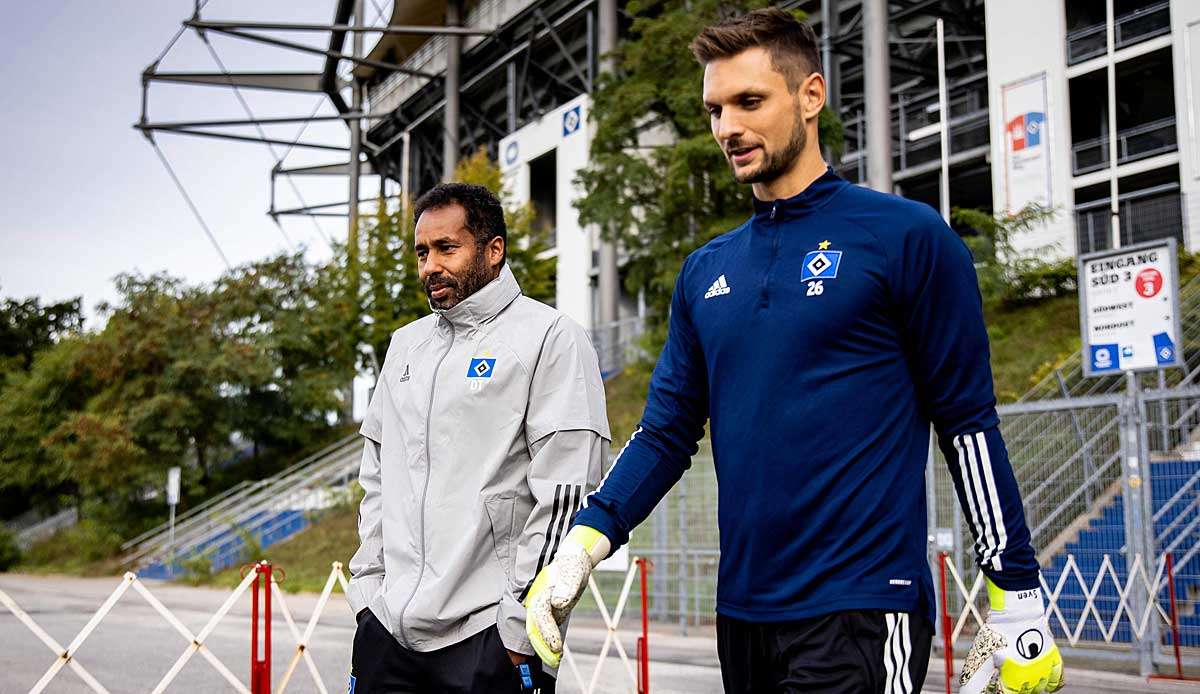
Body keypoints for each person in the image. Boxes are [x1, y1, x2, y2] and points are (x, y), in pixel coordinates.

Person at [525, 9, 1064, 694]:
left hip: (863, 607)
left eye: (749, 101)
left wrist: (1015, 594)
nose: (727, 128)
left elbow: (967, 424)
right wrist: (582, 545)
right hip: (742, 615)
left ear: (811, 96)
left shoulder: (905, 238)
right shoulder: (704, 271)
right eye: (714, 109)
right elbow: (664, 433)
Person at [348, 182, 610, 693]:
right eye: (422, 252)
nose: (430, 266)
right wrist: (368, 598)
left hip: (489, 638)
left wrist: (517, 628)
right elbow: (376, 481)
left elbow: (568, 492)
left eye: (447, 248)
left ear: (494, 251)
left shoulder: (551, 337)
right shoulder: (405, 347)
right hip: (388, 634)